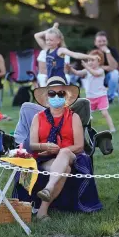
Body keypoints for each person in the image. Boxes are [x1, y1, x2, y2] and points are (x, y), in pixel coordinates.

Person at [29, 76, 102, 220]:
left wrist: (60, 150)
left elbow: (80, 146)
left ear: (66, 96)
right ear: (46, 96)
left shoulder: (73, 117)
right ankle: (42, 212)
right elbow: (31, 144)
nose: (56, 96)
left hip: (72, 156)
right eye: (52, 93)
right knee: (65, 170)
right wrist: (45, 146)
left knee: (65, 151)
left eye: (61, 93)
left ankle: (48, 188)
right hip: (46, 158)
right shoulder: (38, 117)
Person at [66, 49, 116, 132]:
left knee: (104, 113)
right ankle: (85, 130)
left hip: (100, 96)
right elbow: (78, 73)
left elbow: (95, 73)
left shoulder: (100, 70)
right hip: (90, 97)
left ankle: (112, 128)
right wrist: (70, 69)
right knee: (87, 115)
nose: (90, 62)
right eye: (88, 60)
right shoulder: (87, 70)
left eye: (92, 60)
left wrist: (86, 67)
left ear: (99, 62)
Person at [93, 31, 119, 103]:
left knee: (115, 73)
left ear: (107, 41)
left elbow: (114, 67)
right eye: (99, 41)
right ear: (95, 42)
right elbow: (91, 68)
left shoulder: (112, 50)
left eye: (104, 41)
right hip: (96, 77)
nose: (102, 43)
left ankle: (109, 98)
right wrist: (107, 67)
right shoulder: (92, 52)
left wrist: (107, 52)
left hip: (108, 78)